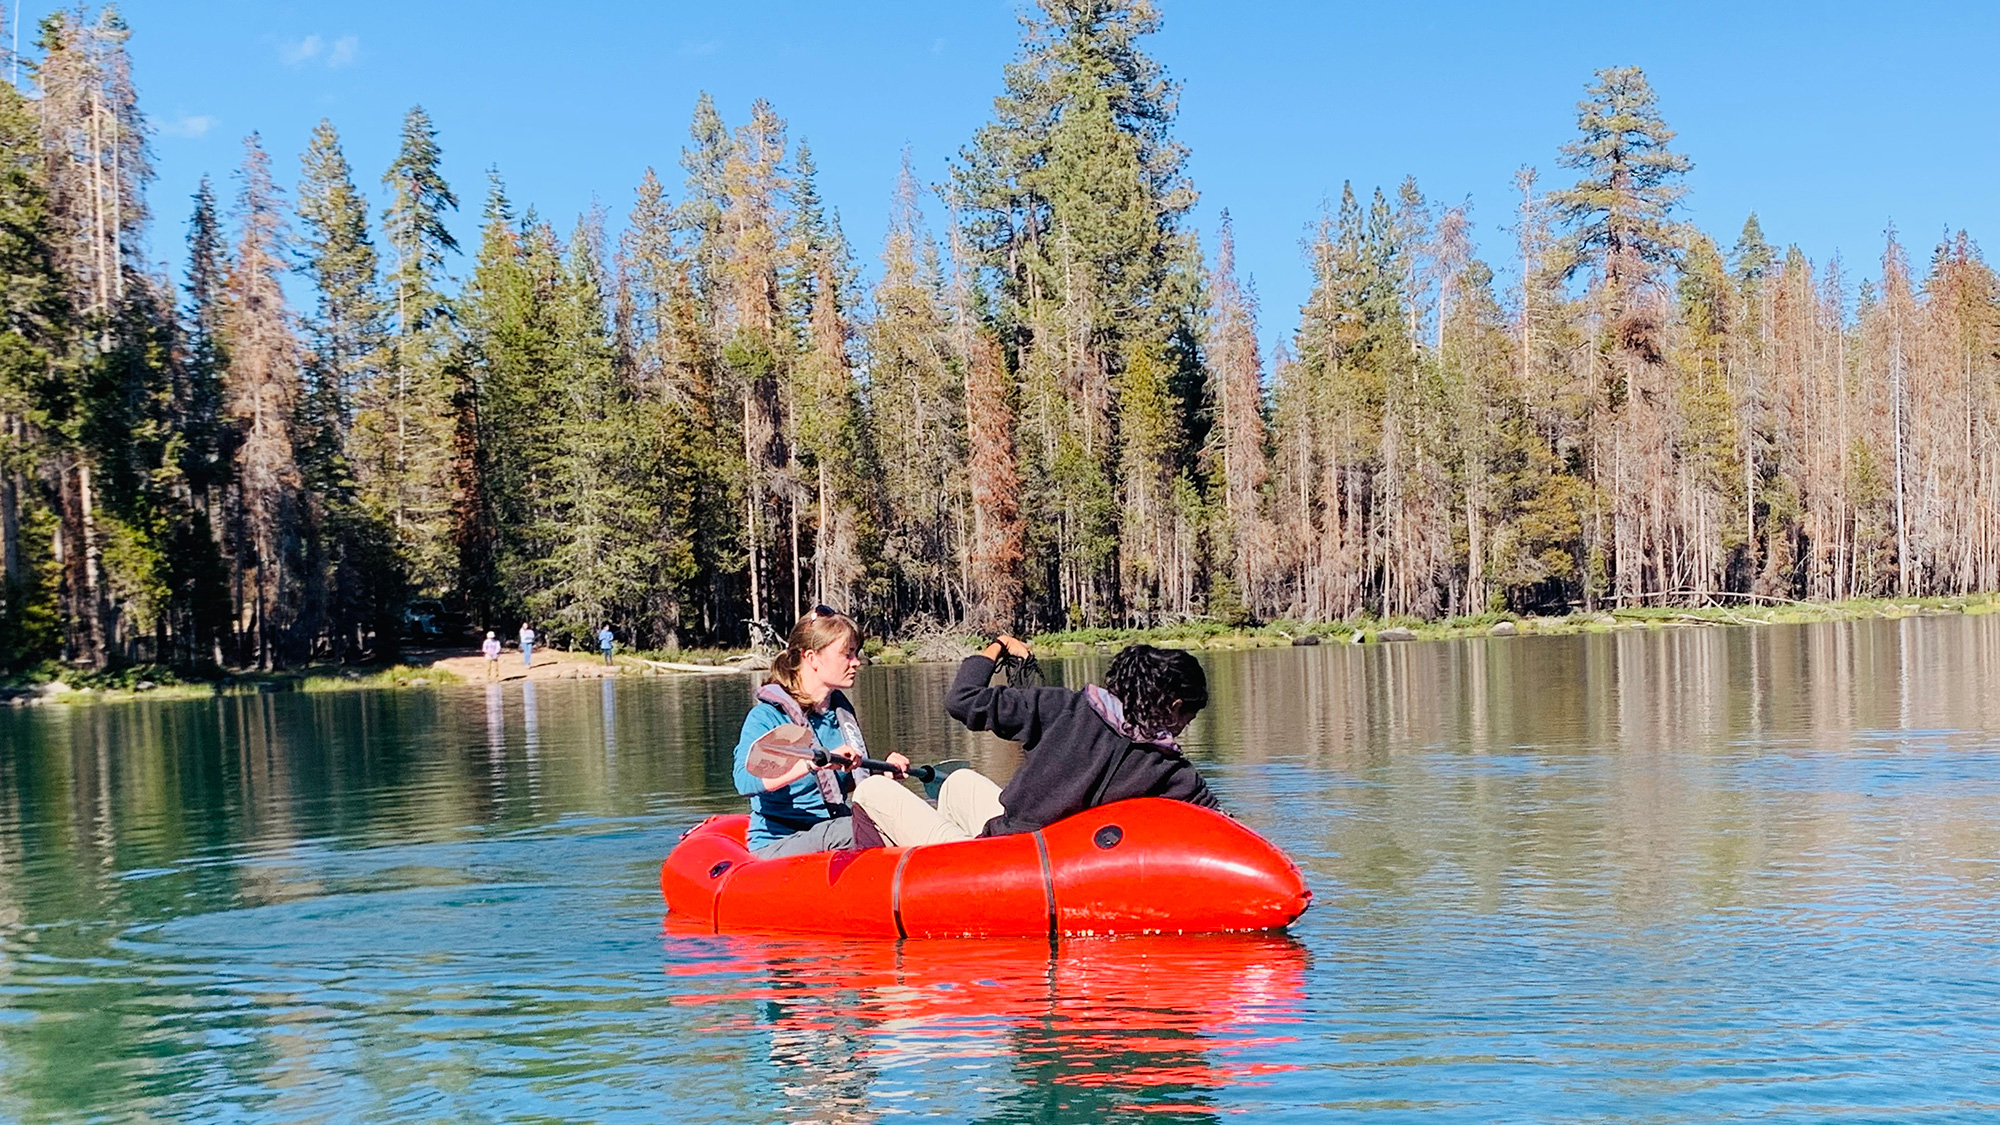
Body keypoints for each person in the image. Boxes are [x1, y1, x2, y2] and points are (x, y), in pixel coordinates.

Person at [851, 637, 1218, 846]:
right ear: (1174, 706)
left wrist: (996, 647)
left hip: (999, 860)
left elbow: (961, 700)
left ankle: (884, 890)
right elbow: (1219, 823)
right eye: (1190, 717)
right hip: (1048, 861)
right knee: (957, 783)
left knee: (871, 793)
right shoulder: (1174, 772)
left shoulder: (1060, 706)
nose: (1184, 727)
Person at [732, 606, 910, 858]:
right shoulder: (767, 717)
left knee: (906, 812)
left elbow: (834, 784)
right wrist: (811, 762)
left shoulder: (838, 714)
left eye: (856, 653)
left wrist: (880, 773)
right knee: (864, 827)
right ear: (812, 659)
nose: (857, 662)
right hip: (781, 841)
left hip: (833, 828)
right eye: (847, 654)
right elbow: (745, 782)